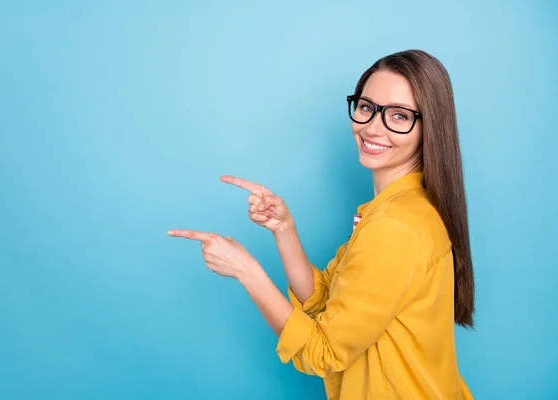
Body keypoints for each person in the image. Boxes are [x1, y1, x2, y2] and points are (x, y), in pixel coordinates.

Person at [168, 49, 475, 399]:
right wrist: (284, 230)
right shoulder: (400, 209)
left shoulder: (396, 226)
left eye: (399, 116)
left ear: (429, 126)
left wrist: (246, 270)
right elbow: (328, 300)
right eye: (366, 107)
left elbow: (323, 352)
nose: (373, 127)